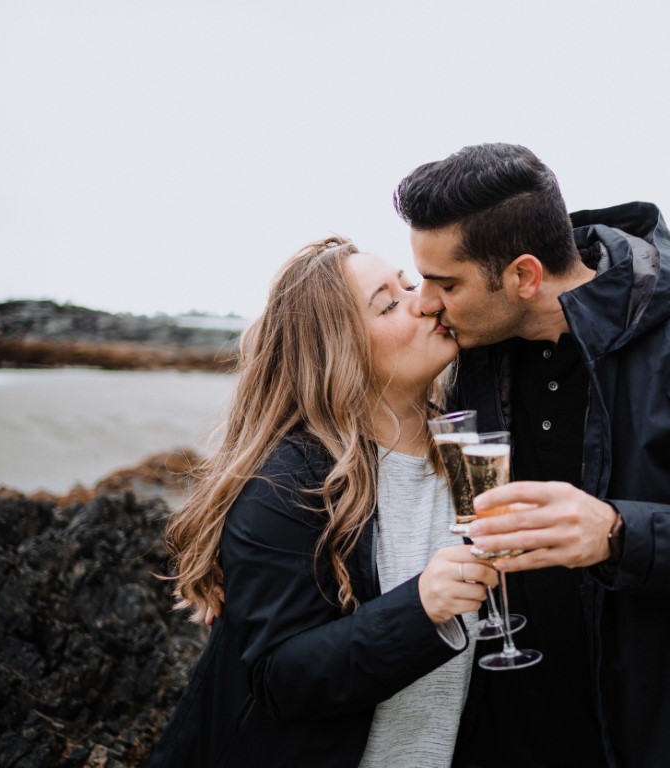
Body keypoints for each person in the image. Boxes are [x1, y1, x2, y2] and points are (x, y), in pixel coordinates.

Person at [393, 144, 670, 768]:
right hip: (509, 727)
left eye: (445, 283)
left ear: (524, 276)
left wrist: (616, 533)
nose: (425, 302)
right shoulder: (468, 353)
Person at [148, 236, 498, 767]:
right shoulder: (289, 484)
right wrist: (420, 608)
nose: (425, 300)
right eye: (389, 302)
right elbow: (280, 679)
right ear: (340, 349)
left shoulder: (471, 446)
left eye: (410, 284)